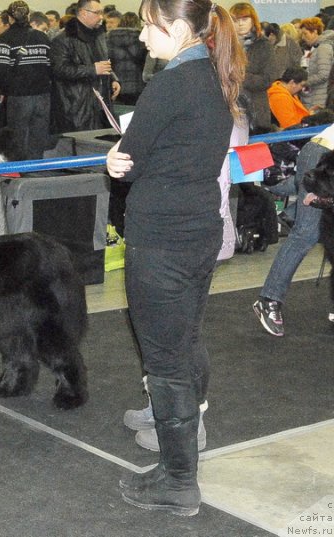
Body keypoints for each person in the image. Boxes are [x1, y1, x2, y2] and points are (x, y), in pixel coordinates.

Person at [105, 0, 245, 516]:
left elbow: (129, 161)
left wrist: (113, 159)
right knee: (183, 340)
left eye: (148, 26)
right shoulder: (217, 74)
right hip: (199, 228)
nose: (141, 37)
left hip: (161, 236)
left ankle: (178, 479)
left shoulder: (169, 85)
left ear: (179, 29)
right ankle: (183, 437)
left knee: (166, 360)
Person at [253, 124, 334, 336]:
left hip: (321, 153)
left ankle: (288, 209)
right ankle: (269, 300)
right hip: (324, 155)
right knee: (306, 233)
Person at [51, 0, 121, 134]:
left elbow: (104, 62)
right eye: (97, 13)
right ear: (83, 13)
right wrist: (92, 70)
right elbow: (59, 69)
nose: (101, 17)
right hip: (76, 106)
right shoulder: (62, 39)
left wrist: (113, 79)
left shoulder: (99, 36)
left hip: (101, 105)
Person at [0, 0, 52, 160]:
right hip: (43, 96)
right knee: (38, 139)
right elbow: (50, 65)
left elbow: (2, 69)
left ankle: (21, 176)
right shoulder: (42, 37)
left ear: (10, 18)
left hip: (19, 97)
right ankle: (35, 174)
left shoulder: (6, 38)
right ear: (28, 16)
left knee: (18, 140)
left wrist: (5, 91)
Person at [230, 3, 277, 132]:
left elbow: (268, 79)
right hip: (230, 111)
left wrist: (240, 76)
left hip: (256, 109)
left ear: (253, 20)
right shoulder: (226, 45)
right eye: (236, 20)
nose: (240, 24)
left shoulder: (263, 45)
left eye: (244, 19)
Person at [107, 11, 146, 105]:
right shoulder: (142, 40)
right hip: (137, 86)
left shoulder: (108, 39)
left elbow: (107, 62)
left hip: (116, 86)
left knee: (117, 115)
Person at [298, 17, 333, 110]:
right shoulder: (315, 48)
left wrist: (303, 82)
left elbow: (324, 74)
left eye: (305, 34)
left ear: (315, 31)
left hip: (319, 98)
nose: (303, 37)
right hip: (315, 96)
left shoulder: (323, 48)